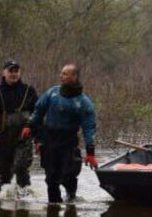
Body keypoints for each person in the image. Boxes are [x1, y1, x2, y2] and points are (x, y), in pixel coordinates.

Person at [24, 63, 98, 203]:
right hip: (49, 140)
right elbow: (38, 110)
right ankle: (53, 207)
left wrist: (90, 153)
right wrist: (29, 126)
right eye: (61, 73)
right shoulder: (52, 93)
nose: (61, 76)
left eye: (65, 74)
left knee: (68, 175)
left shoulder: (84, 103)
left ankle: (71, 197)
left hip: (68, 142)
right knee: (51, 178)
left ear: (74, 77)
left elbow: (89, 128)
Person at [0, 60, 39, 199]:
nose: (13, 74)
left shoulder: (29, 91)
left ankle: (24, 202)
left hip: (24, 137)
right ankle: (2, 204)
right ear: (3, 73)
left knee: (21, 167)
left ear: (20, 73)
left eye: (16, 71)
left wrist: (37, 138)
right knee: (4, 173)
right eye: (10, 71)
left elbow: (38, 115)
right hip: (3, 138)